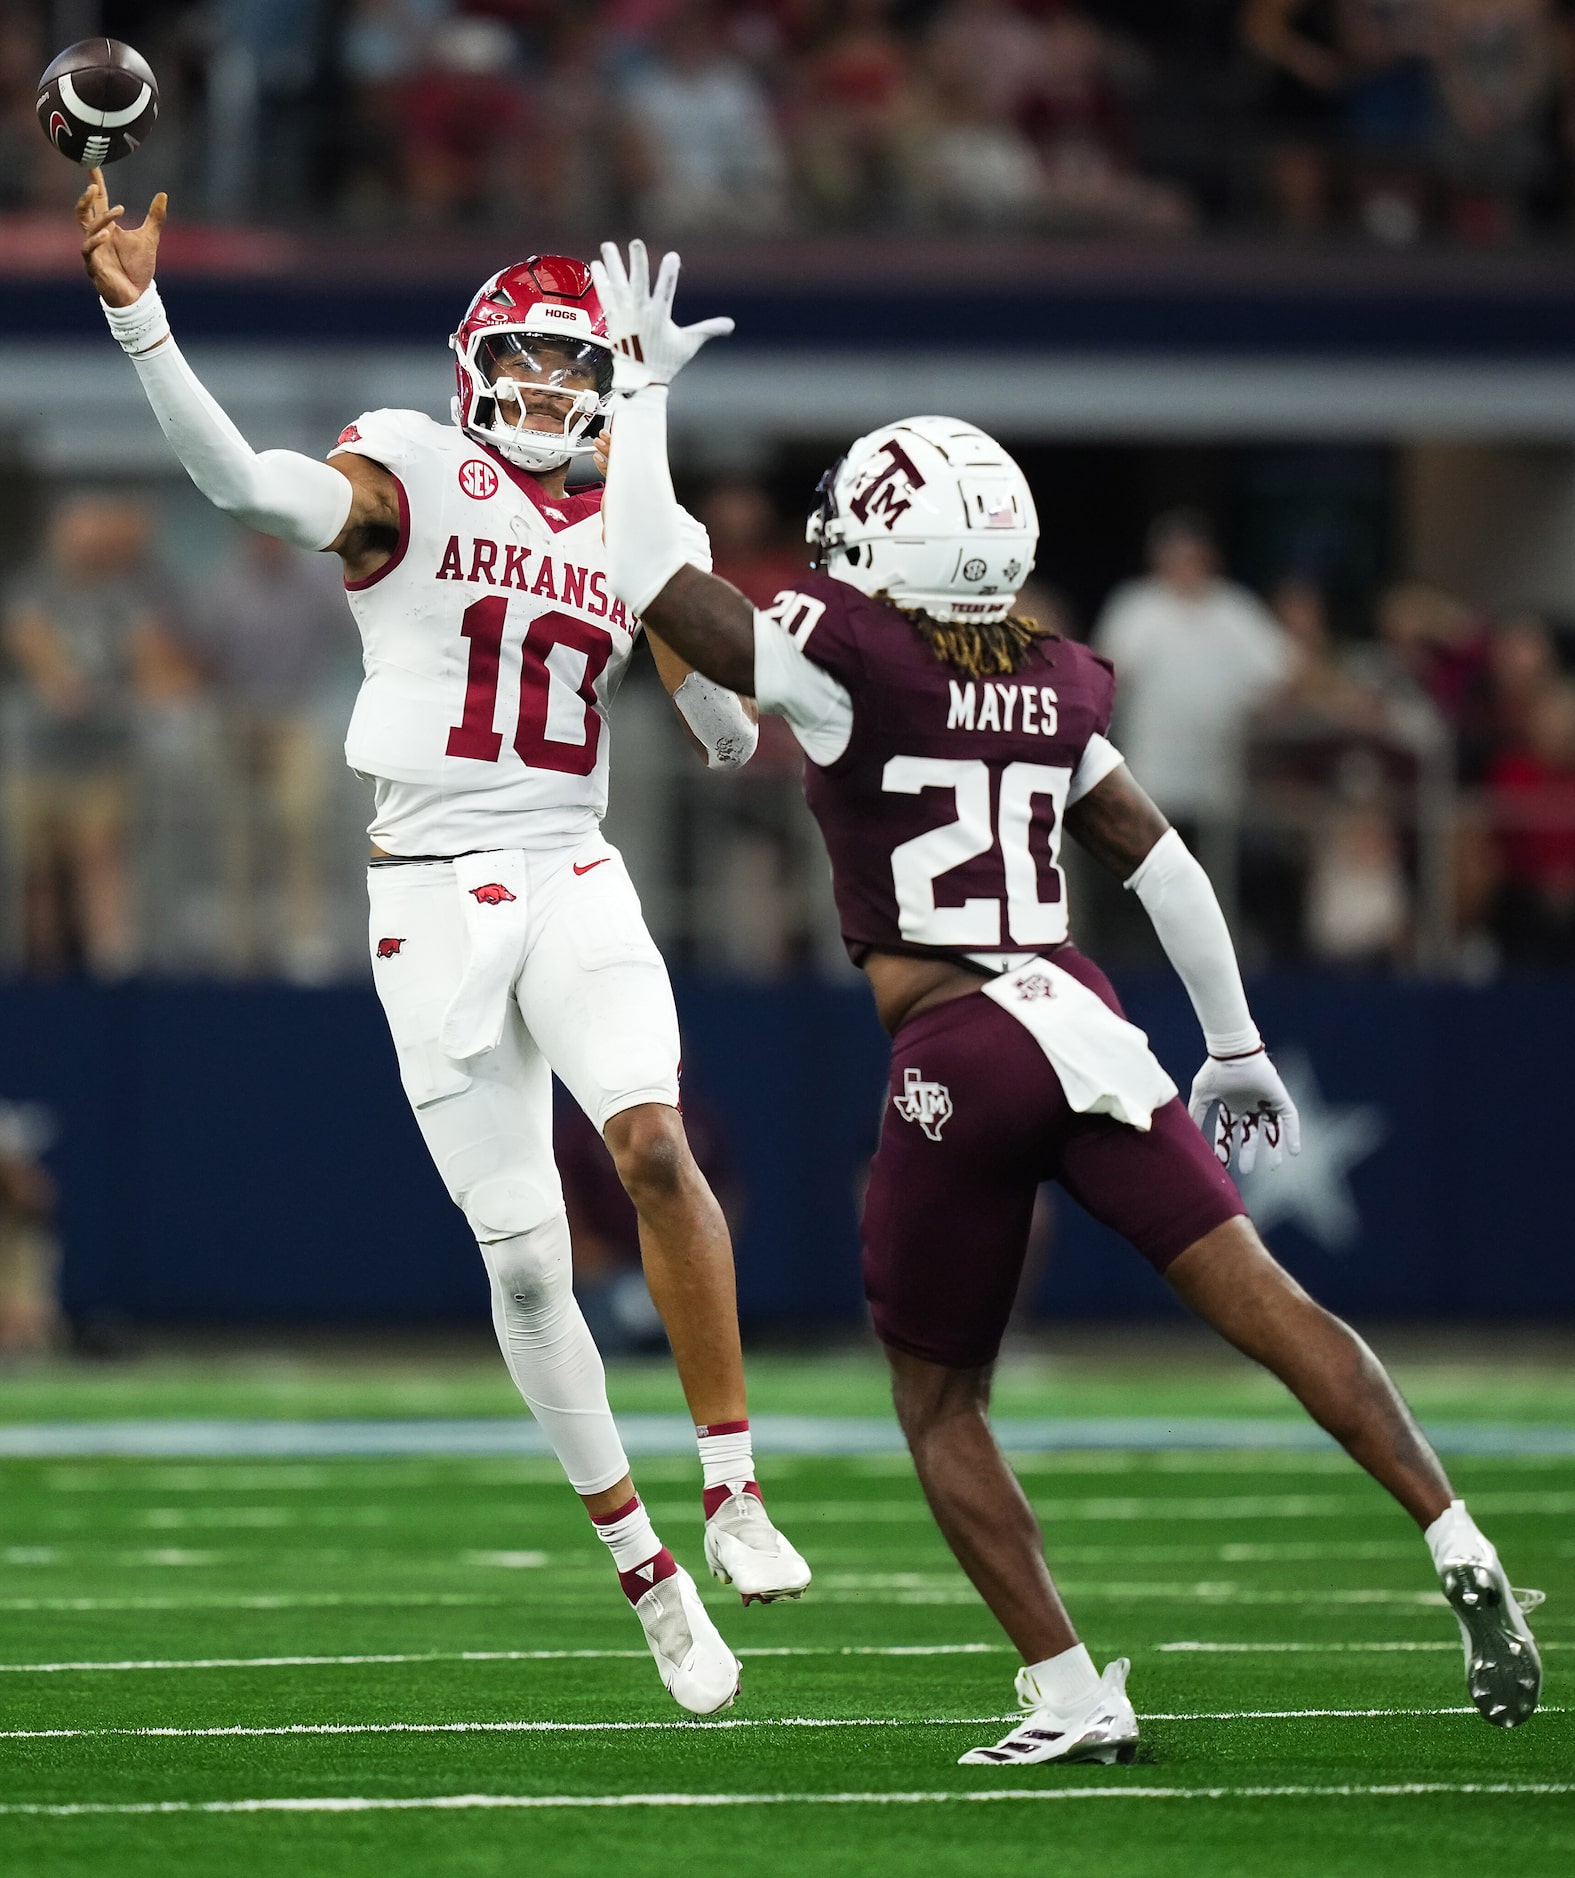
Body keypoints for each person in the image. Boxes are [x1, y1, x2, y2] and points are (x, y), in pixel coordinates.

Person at [591, 237, 1543, 1762]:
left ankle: (1070, 1687)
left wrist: (636, 392)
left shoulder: (854, 663)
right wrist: (1230, 1042)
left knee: (939, 1398)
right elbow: (1164, 869)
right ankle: (1454, 1533)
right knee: (1273, 1305)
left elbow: (648, 574)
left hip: (958, 1043)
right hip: (1092, 1022)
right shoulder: (1056, 676)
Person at [73, 173, 810, 1716]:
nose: (547, 391)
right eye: (526, 362)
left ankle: (733, 1488)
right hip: (427, 879)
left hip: (574, 861)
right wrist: (140, 317)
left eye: (575, 368)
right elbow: (249, 491)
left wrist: (669, 525)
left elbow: (731, 734)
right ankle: (647, 1573)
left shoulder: (624, 504)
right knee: (531, 1266)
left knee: (658, 1148)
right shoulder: (412, 467)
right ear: (474, 370)